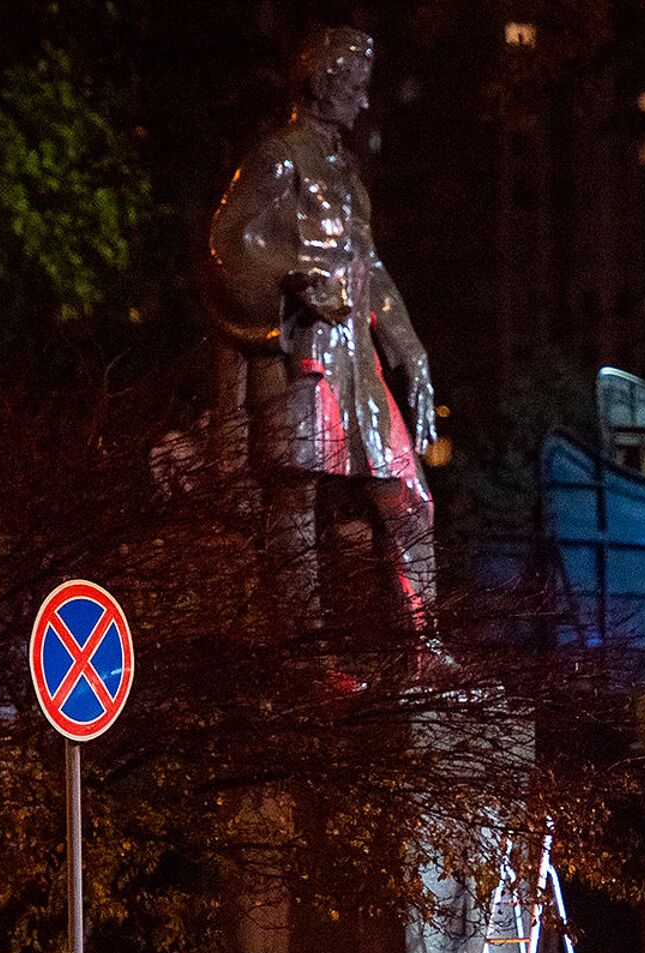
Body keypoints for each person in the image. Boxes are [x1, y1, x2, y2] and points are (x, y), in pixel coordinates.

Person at [205, 28, 441, 654]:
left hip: (356, 364)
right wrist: (292, 279)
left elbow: (370, 266)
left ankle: (425, 650)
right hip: (299, 352)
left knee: (407, 495)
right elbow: (224, 248)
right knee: (295, 498)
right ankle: (305, 656)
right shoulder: (277, 157)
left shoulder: (343, 170)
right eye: (358, 89)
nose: (365, 104)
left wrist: (409, 347)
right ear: (324, 85)